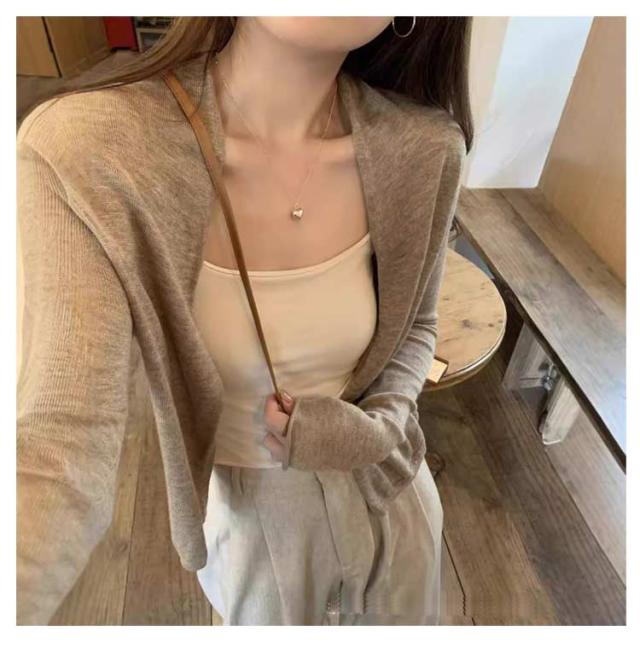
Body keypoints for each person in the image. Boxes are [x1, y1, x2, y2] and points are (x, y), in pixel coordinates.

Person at [16, 16, 473, 625]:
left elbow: (417, 326)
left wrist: (377, 430)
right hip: (259, 537)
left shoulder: (427, 148)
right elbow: (58, 447)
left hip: (395, 499)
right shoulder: (87, 154)